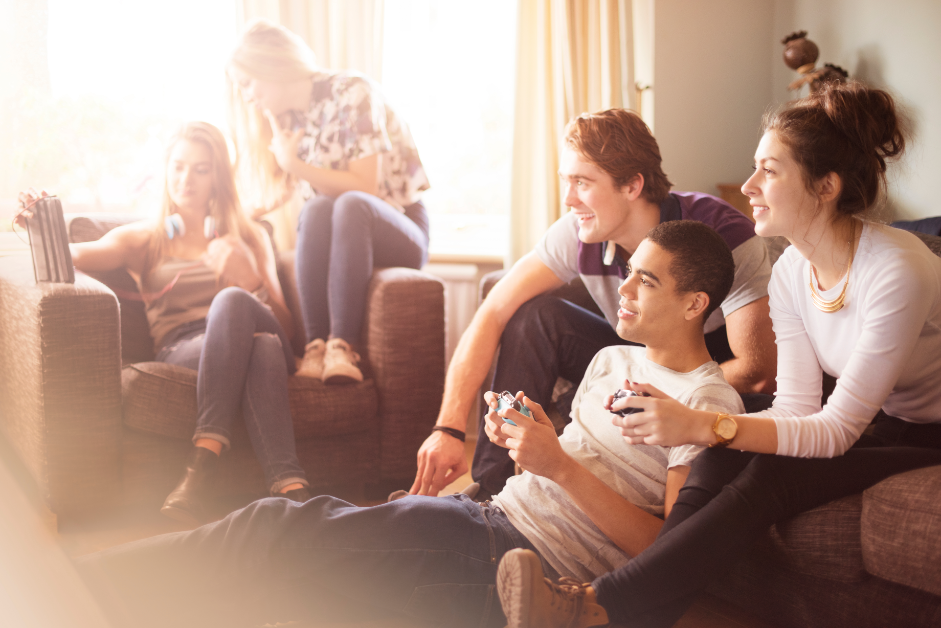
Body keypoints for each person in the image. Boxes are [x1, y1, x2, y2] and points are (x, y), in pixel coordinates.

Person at [75, 221, 743, 628]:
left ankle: (84, 589)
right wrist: (524, 440)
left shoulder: (707, 404)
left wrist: (557, 464)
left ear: (692, 304)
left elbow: (665, 553)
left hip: (521, 563)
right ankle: (109, 602)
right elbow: (553, 476)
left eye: (645, 283)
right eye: (627, 274)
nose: (621, 289)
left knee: (276, 531)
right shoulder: (610, 360)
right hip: (491, 525)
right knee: (286, 575)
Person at [495, 82, 941, 628]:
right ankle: (629, 606)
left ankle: (602, 607)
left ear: (825, 186)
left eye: (769, 171)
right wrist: (706, 432)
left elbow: (837, 430)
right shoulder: (792, 272)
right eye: (754, 168)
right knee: (717, 454)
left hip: (931, 433)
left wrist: (707, 422)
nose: (749, 185)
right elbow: (797, 407)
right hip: (887, 423)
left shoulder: (898, 268)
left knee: (765, 477)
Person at [412, 108, 778, 501]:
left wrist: (658, 401)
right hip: (632, 359)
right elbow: (493, 312)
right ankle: (491, 489)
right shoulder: (578, 232)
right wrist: (448, 429)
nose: (568, 199)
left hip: (704, 373)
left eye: (582, 183)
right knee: (535, 316)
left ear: (633, 185)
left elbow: (757, 372)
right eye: (566, 181)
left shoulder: (722, 234)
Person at [18, 122, 311, 525]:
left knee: (246, 318)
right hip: (184, 349)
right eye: (178, 166)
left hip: (257, 330)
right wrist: (37, 226)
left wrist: (253, 281)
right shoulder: (146, 238)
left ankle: (202, 463)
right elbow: (70, 256)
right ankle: (293, 490)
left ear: (218, 178)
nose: (185, 179)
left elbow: (288, 333)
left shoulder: (249, 236)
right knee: (260, 348)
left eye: (200, 169)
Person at [226, 19, 430, 385]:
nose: (246, 96)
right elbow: (284, 193)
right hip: (347, 239)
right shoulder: (289, 121)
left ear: (271, 66)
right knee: (317, 207)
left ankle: (342, 345)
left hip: (399, 227)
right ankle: (316, 345)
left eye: (247, 83)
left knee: (349, 203)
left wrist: (295, 164)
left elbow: (364, 188)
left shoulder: (352, 92)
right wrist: (232, 219)